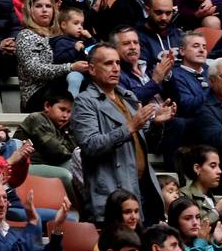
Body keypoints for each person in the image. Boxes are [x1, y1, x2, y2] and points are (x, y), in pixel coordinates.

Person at [74, 44, 176, 218]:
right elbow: (90, 145)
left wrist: (157, 125)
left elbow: (149, 144)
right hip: (113, 193)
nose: (115, 68)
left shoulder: (128, 97)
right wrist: (129, 127)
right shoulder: (85, 101)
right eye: (108, 63)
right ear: (91, 69)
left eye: (118, 63)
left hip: (143, 187)